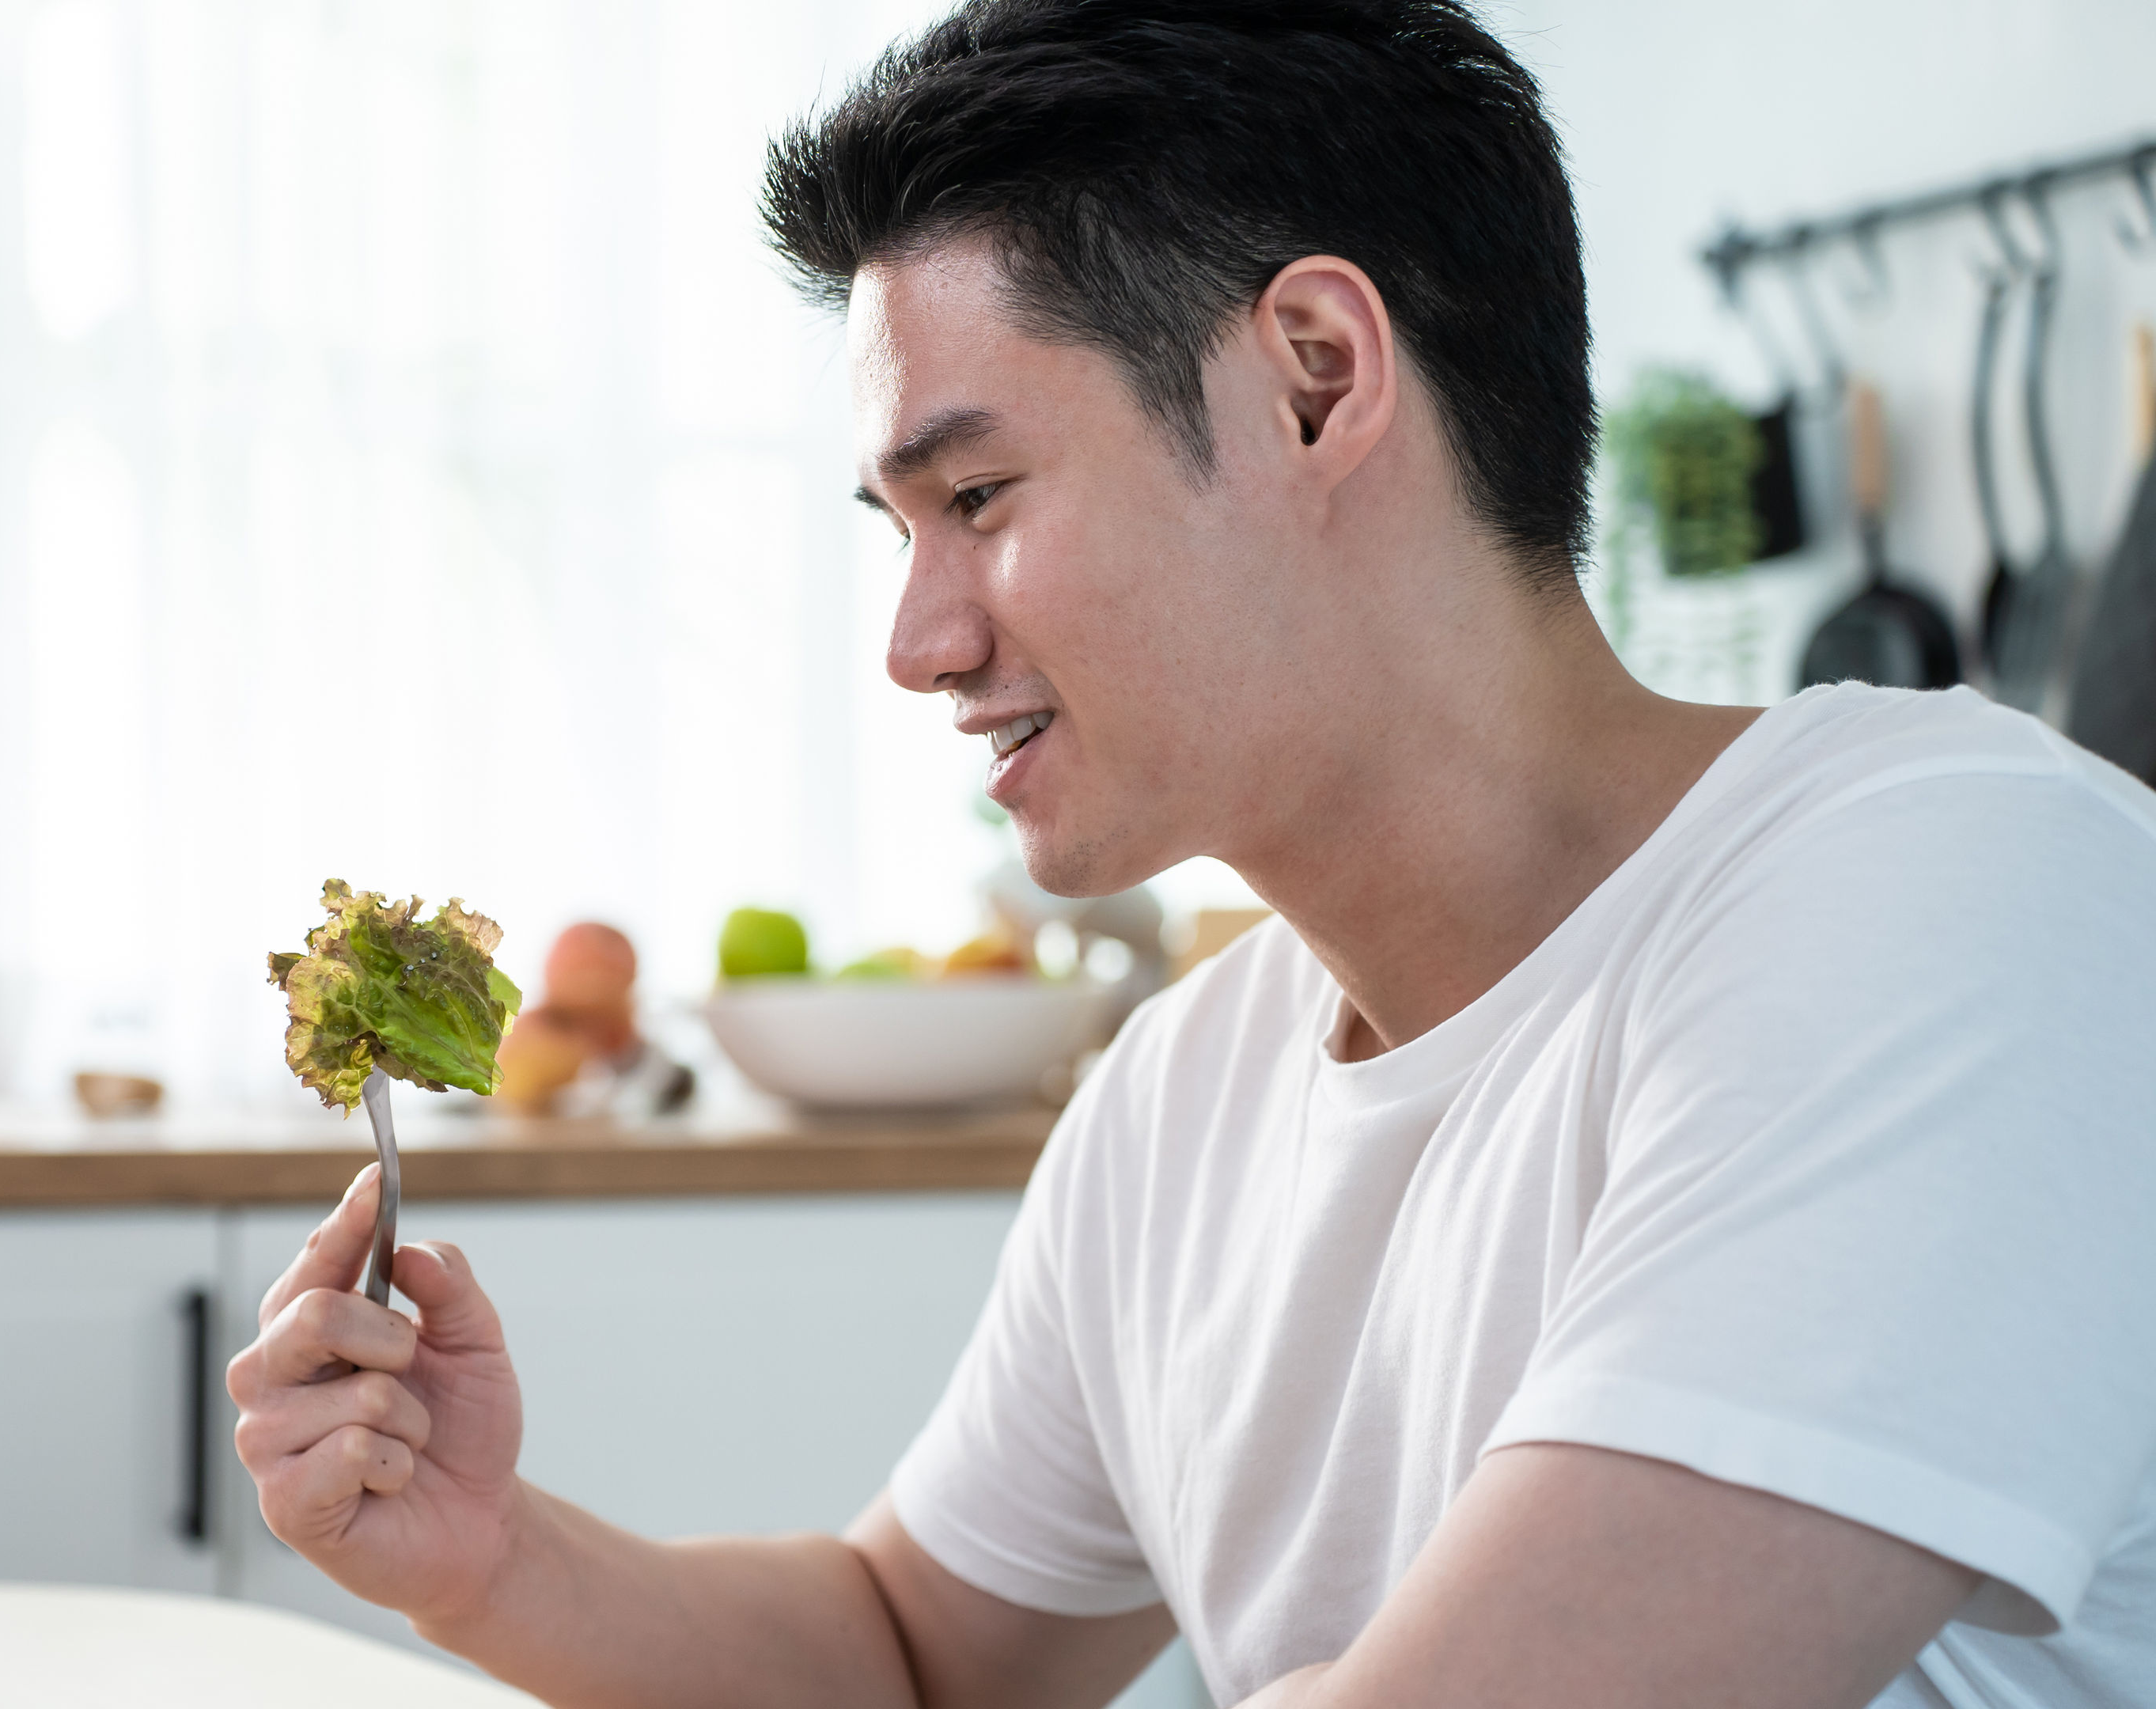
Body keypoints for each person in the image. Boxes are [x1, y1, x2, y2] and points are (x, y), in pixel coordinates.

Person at [227, 2, 2156, 1703]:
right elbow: (911, 1658)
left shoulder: (1959, 895)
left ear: (1316, 375)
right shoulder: (1178, 1101)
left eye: (975, 497)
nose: (918, 643)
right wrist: (492, 1565)